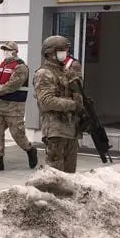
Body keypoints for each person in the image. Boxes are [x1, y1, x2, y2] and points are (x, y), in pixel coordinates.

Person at [33, 35, 85, 173]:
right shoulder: (44, 73)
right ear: (50, 53)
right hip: (56, 130)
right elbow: (46, 101)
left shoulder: (65, 71)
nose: (65, 53)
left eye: (66, 50)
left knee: (70, 173)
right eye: (61, 50)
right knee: (55, 174)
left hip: (71, 129)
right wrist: (73, 105)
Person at [0, 42, 39, 171]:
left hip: (14, 106)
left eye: (8, 49)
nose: (5, 52)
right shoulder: (3, 64)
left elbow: (13, 85)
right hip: (0, 105)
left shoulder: (21, 67)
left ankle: (30, 149)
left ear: (15, 51)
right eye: (4, 49)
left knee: (17, 134)